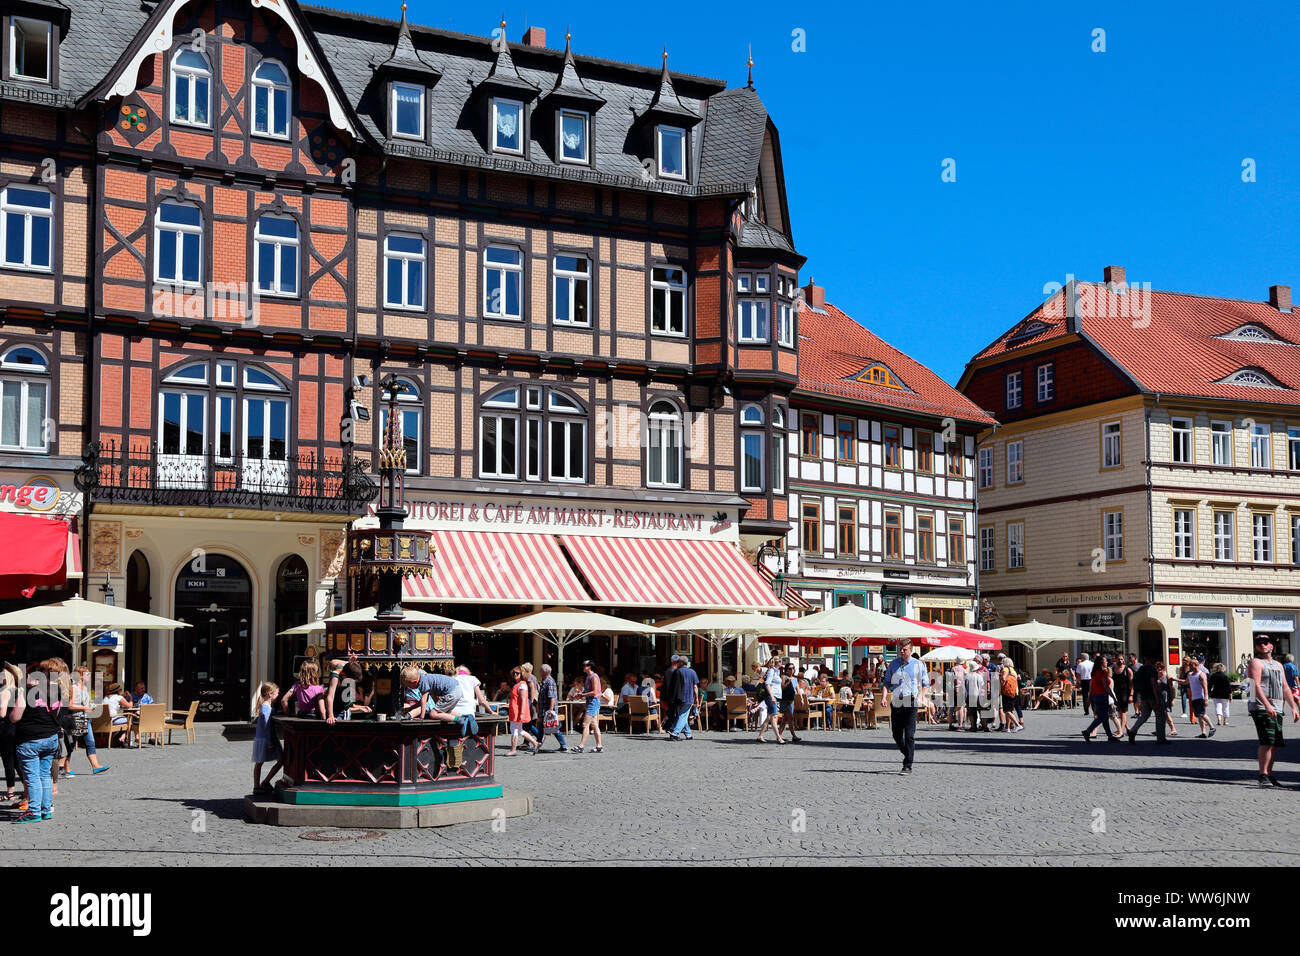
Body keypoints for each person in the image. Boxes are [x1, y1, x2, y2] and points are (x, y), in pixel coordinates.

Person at [9, 663, 61, 823]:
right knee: (45, 775)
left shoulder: (26, 692)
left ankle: (34, 812)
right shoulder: (55, 691)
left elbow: (15, 717)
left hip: (30, 740)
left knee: (32, 777)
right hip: (51, 738)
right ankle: (45, 810)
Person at [1247, 634, 1300, 788]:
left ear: (1271, 646)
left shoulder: (1278, 665)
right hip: (1262, 707)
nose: (1262, 645)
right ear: (1256, 647)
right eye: (1259, 643)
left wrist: (1293, 707)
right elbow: (1255, 685)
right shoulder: (1255, 663)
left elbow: (1284, 686)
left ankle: (1269, 774)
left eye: (1265, 643)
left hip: (1277, 707)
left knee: (1275, 743)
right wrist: (1267, 705)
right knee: (1267, 741)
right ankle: (1262, 775)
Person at [884, 640, 929, 774]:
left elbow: (925, 683)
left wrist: (921, 696)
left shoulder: (918, 665)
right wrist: (884, 697)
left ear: (910, 650)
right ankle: (907, 753)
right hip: (897, 701)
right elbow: (886, 682)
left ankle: (908, 764)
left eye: (904, 649)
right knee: (896, 734)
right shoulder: (893, 664)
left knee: (909, 734)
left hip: (911, 701)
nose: (901, 651)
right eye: (900, 649)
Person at [62, 666, 109, 775]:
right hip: (75, 719)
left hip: (85, 718)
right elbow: (70, 705)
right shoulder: (74, 688)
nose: (89, 676)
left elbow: (86, 704)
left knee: (90, 742)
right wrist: (85, 708)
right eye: (87, 674)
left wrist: (92, 705)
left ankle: (95, 766)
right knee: (71, 744)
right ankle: (66, 768)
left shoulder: (85, 688)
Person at [252, 681, 282, 793]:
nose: (278, 695)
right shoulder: (266, 708)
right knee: (281, 760)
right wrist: (270, 744)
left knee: (259, 763)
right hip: (267, 739)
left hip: (263, 739)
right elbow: (266, 727)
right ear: (270, 694)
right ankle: (263, 783)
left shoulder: (265, 706)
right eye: (277, 693)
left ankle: (258, 786)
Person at [1128, 656, 1167, 743]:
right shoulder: (1152, 670)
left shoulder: (1140, 670)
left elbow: (1134, 683)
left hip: (1143, 696)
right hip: (1152, 696)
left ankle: (1132, 731)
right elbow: (1153, 684)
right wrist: (1157, 699)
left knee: (1144, 716)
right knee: (1160, 716)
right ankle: (1161, 738)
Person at [1081, 655, 1119, 742]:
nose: (1107, 662)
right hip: (1102, 696)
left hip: (1096, 696)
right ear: (1101, 663)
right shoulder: (1103, 672)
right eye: (1105, 661)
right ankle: (1088, 731)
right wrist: (1114, 698)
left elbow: (1092, 687)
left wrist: (1089, 699)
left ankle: (1109, 736)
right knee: (1103, 717)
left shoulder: (1094, 672)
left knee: (1105, 717)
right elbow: (1106, 686)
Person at [322, 656, 370, 724]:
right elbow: (330, 696)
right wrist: (331, 716)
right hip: (336, 714)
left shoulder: (346, 668)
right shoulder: (336, 677)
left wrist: (349, 663)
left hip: (345, 712)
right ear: (344, 675)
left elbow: (347, 704)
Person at [572, 660, 604, 754]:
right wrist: (580, 694)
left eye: (584, 665)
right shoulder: (588, 677)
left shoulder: (594, 677)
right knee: (594, 725)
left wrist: (583, 695)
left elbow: (595, 692)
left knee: (585, 724)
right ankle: (599, 746)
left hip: (593, 703)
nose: (583, 666)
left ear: (589, 666)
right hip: (590, 702)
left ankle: (581, 746)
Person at [0, 663, 21, 805]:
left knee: (8, 761)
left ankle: (10, 792)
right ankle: (25, 790)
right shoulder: (19, 690)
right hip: (16, 729)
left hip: (5, 729)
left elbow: (2, 713)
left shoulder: (5, 691)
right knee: (16, 762)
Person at [505, 667, 538, 756]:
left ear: (522, 674)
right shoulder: (518, 684)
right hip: (515, 711)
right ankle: (535, 743)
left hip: (517, 711)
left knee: (514, 730)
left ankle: (513, 750)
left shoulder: (522, 685)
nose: (515, 674)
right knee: (519, 731)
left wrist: (522, 713)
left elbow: (524, 700)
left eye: (517, 673)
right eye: (514, 673)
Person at [535, 663, 567, 753]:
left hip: (547, 710)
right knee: (552, 728)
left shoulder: (550, 681)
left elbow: (552, 697)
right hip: (544, 710)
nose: (539, 672)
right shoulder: (545, 680)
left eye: (540, 670)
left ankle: (537, 745)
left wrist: (550, 710)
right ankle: (563, 745)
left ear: (544, 672)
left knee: (550, 728)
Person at [1187, 657, 1214, 739]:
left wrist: (1206, 699)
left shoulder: (1201, 674)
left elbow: (1205, 688)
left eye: (1190, 665)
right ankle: (1203, 732)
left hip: (1200, 698)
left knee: (1202, 714)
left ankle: (1212, 727)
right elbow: (1185, 682)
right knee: (1199, 716)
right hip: (1194, 698)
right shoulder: (1190, 674)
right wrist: (1175, 679)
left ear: (1196, 665)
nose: (1189, 666)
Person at [1110, 656, 1133, 738]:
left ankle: (1121, 731)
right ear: (1115, 660)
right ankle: (1127, 728)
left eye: (1122, 659)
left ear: (1124, 660)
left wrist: (1131, 695)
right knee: (1120, 712)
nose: (1120, 660)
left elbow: (1131, 684)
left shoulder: (1127, 670)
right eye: (1118, 659)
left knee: (1123, 712)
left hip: (1124, 693)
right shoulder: (1113, 669)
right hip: (1115, 693)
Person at [999, 656, 1023, 732]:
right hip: (1014, 691)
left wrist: (1000, 677)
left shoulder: (1005, 669)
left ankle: (1017, 725)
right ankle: (1007, 727)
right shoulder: (1013, 670)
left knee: (1007, 710)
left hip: (1007, 691)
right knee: (1009, 709)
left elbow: (1003, 678)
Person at [1209, 662, 1232, 727]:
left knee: (1217, 706)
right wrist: (1230, 695)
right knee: (1225, 707)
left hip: (1216, 693)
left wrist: (1209, 692)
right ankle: (1225, 721)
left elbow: (1210, 685)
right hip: (1225, 694)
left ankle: (1219, 720)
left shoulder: (1213, 676)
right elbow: (1229, 686)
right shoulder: (1225, 676)